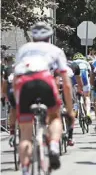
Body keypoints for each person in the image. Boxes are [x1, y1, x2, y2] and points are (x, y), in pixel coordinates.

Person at [13, 22, 74, 174]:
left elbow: (14, 80)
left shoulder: (23, 49)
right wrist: (70, 110)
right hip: (44, 79)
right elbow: (66, 84)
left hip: (24, 83)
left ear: (32, 36)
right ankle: (53, 146)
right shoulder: (55, 50)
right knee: (55, 117)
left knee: (25, 133)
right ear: (49, 37)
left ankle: (26, 170)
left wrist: (17, 103)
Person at [72, 52, 92, 124]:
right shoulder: (86, 63)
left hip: (74, 78)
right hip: (84, 79)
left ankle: (76, 110)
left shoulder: (72, 63)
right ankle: (88, 113)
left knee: (74, 99)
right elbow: (90, 74)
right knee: (87, 96)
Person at [1, 54, 16, 145]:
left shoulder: (7, 69)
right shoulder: (24, 67)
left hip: (12, 91)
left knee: (12, 109)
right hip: (25, 90)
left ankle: (12, 133)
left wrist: (3, 97)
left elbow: (4, 84)